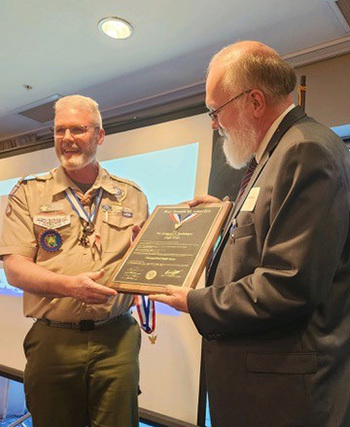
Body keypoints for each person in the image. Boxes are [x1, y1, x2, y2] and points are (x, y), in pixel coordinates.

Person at [150, 41, 350, 427]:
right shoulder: (277, 153)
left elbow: (289, 283)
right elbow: (268, 236)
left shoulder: (305, 150)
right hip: (266, 390)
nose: (214, 122)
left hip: (284, 399)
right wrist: (222, 217)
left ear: (255, 101)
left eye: (215, 110)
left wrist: (196, 301)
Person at [0, 95, 148, 427]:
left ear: (99, 135)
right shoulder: (28, 194)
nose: (67, 139)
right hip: (53, 341)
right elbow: (14, 267)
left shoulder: (133, 195)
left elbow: (143, 261)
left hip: (116, 338)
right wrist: (71, 287)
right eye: (59, 130)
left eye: (78, 130)